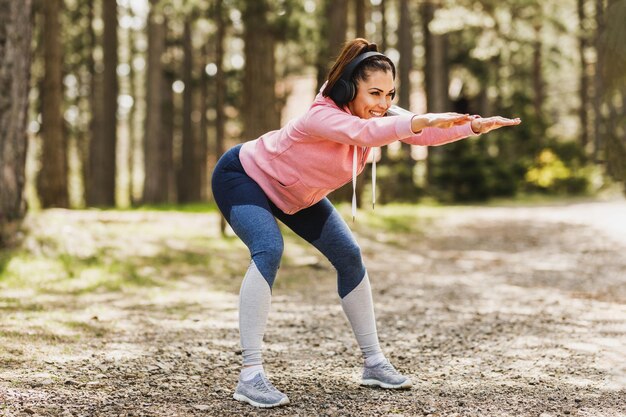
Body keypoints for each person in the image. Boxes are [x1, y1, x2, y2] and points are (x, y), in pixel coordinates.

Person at [211, 38, 521, 409]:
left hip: (296, 194)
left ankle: (373, 363)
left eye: (389, 94)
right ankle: (250, 376)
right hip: (243, 176)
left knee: (349, 256)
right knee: (269, 248)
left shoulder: (372, 113)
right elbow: (372, 134)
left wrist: (472, 127)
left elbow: (420, 133)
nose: (383, 104)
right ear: (347, 87)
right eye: (375, 92)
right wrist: (418, 120)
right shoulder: (320, 116)